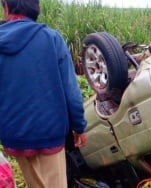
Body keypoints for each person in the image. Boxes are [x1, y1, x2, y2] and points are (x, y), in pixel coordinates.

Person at [0, 0, 87, 187]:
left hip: (14, 136)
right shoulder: (52, 39)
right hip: (50, 133)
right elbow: (71, 92)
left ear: (6, 7)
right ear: (36, 9)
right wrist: (79, 127)